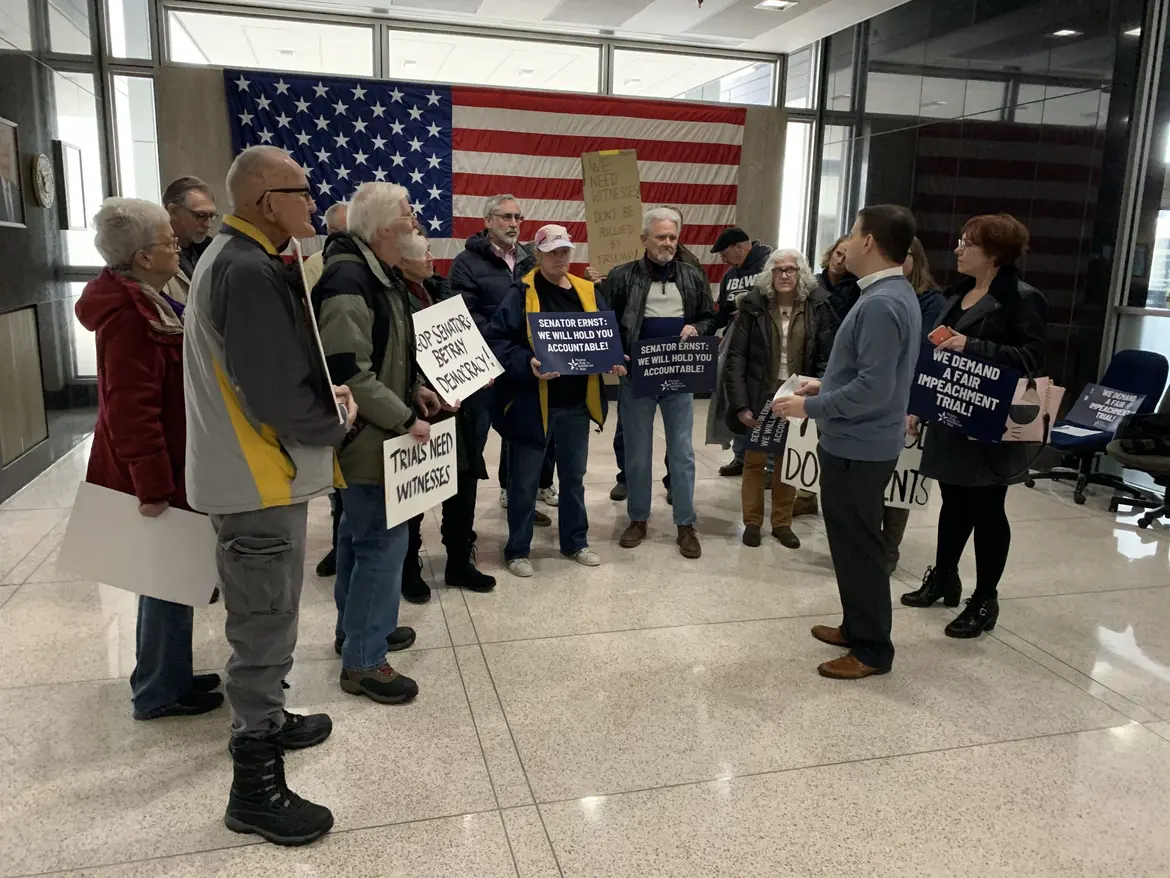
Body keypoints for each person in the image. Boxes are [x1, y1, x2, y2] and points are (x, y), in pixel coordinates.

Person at [184, 145, 355, 846]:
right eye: (302, 192)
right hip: (255, 481)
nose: (312, 203)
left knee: (271, 614)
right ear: (265, 202)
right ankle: (253, 785)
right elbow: (272, 389)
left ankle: (273, 723)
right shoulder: (248, 269)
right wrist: (332, 420)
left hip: (255, 472)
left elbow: (271, 368)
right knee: (263, 625)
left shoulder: (238, 258)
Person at [76, 197, 223, 721]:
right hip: (156, 472)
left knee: (172, 579)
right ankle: (159, 690)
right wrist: (153, 486)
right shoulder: (132, 317)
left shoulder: (149, 300)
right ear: (142, 257)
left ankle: (169, 673)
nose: (177, 247)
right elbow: (130, 408)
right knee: (164, 581)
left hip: (172, 462)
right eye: (168, 241)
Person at [773, 205, 920, 680]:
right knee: (852, 541)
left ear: (871, 242)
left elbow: (875, 388)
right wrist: (825, 385)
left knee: (859, 546)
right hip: (861, 438)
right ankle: (858, 626)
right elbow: (871, 374)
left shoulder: (881, 302)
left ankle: (873, 650)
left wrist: (810, 408)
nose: (847, 242)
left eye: (854, 233)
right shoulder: (891, 292)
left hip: (860, 445)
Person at [314, 182, 438, 703]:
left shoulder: (375, 273)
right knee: (380, 547)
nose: (415, 222)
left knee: (357, 540)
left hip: (377, 431)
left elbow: (385, 355)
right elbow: (348, 373)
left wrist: (414, 388)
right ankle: (364, 662)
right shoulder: (349, 277)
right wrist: (405, 414)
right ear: (386, 227)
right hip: (368, 438)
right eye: (408, 214)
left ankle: (361, 628)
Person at [902, 214, 1046, 638]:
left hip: (990, 422)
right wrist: (918, 404)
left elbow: (1032, 359)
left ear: (996, 253)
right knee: (953, 502)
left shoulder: (1022, 298)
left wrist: (974, 345)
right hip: (950, 414)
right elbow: (933, 355)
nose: (958, 249)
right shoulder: (956, 294)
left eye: (968, 243)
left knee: (986, 510)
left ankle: (985, 598)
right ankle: (944, 575)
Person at [486, 224, 623, 577]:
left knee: (574, 478)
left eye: (565, 251)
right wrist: (526, 363)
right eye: (553, 252)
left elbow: (605, 336)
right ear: (538, 255)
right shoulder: (521, 292)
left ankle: (575, 541)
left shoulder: (588, 292)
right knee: (525, 482)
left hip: (577, 403)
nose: (560, 258)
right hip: (533, 404)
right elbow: (498, 342)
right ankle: (517, 549)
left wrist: (614, 358)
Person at [607, 207, 717, 560]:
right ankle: (638, 518)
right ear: (644, 240)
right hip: (637, 377)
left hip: (681, 375)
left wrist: (696, 329)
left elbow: (708, 317)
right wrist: (615, 357)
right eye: (660, 237)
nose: (667, 243)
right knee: (637, 453)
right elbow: (607, 322)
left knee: (682, 453)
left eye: (672, 237)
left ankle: (685, 523)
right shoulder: (622, 276)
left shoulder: (692, 275)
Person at [394, 231, 496, 602]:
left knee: (464, 485)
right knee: (418, 494)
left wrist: (477, 370)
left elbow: (464, 342)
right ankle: (408, 567)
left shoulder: (440, 291)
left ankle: (458, 560)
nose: (431, 258)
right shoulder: (393, 298)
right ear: (401, 259)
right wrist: (428, 389)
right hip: (421, 411)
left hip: (459, 410)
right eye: (423, 253)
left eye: (431, 251)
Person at [449, 193, 553, 526]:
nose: (513, 224)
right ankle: (462, 521)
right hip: (482, 370)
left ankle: (515, 496)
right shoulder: (466, 262)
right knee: (474, 440)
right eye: (506, 217)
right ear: (488, 221)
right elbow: (464, 313)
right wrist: (499, 341)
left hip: (522, 365)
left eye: (518, 218)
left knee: (519, 437)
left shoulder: (530, 260)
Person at [724, 249, 837, 550]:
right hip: (760, 392)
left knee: (787, 460)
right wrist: (740, 405)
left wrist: (818, 393)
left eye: (791, 269)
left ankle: (782, 523)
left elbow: (827, 356)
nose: (784, 275)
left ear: (801, 274)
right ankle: (752, 521)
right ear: (769, 274)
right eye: (778, 270)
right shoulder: (753, 305)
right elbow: (736, 358)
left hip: (798, 394)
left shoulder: (818, 306)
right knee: (754, 460)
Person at [881, 236, 946, 573]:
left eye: (901, 254)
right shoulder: (877, 293)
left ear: (914, 259)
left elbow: (924, 353)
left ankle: (889, 549)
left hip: (910, 399)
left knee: (900, 480)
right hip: (879, 395)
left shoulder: (933, 302)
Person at [307, 200, 351, 579]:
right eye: (338, 233)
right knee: (338, 476)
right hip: (329, 383)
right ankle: (340, 545)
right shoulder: (313, 269)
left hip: (362, 385)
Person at [711, 226, 773, 477]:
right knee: (736, 398)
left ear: (740, 247)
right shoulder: (730, 275)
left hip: (764, 346)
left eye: (725, 253)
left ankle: (768, 463)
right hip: (736, 344)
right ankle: (740, 456)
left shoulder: (769, 266)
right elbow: (723, 311)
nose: (722, 259)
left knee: (762, 403)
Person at [818, 234, 862, 322]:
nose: (839, 261)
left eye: (846, 258)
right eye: (838, 254)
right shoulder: (813, 283)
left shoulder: (857, 289)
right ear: (831, 252)